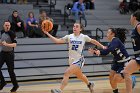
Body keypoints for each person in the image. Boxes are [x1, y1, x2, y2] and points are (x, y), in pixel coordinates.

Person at [43, 22, 105, 93]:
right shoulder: (69, 36)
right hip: (71, 60)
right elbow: (57, 41)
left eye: (76, 26)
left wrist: (102, 46)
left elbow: (93, 41)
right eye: (74, 26)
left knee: (67, 72)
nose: (74, 28)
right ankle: (89, 84)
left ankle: (60, 90)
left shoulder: (84, 37)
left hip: (79, 60)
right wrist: (47, 33)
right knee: (80, 76)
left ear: (80, 29)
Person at [88, 28, 136, 93]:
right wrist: (95, 52)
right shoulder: (111, 43)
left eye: (108, 33)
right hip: (117, 62)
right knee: (111, 78)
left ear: (113, 34)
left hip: (124, 62)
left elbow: (110, 49)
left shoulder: (116, 40)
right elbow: (106, 52)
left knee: (116, 79)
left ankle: (131, 79)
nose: (106, 34)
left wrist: (99, 51)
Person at [122, 10, 140, 93]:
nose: (130, 19)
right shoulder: (136, 28)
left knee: (126, 72)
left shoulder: (139, 26)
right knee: (126, 72)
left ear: (134, 17)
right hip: (137, 56)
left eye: (130, 17)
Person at [0, 21, 19, 92]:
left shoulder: (12, 33)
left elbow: (15, 45)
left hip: (10, 54)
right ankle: (3, 82)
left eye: (8, 25)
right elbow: (2, 41)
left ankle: (15, 85)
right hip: (2, 53)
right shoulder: (2, 32)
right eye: (6, 25)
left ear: (10, 26)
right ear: (3, 26)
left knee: (10, 71)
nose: (7, 26)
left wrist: (6, 44)